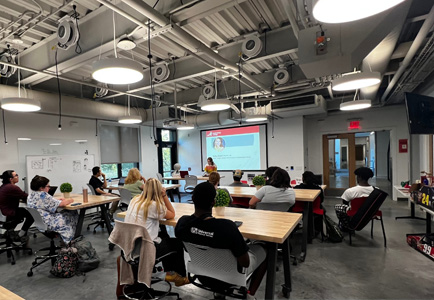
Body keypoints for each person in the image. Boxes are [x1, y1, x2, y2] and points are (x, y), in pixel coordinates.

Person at [175, 182, 267, 298]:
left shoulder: (182, 223)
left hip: (202, 275)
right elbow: (245, 262)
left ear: (192, 198)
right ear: (213, 202)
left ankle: (219, 294)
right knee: (266, 250)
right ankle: (250, 294)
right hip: (230, 277)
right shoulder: (227, 227)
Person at [124, 178, 189, 287]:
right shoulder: (154, 206)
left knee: (163, 234)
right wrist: (164, 195)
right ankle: (180, 277)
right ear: (158, 191)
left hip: (130, 246)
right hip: (145, 249)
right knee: (176, 243)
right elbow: (172, 214)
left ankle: (170, 272)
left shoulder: (135, 199)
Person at [27, 175, 78, 244]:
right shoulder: (43, 195)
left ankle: (65, 239)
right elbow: (62, 204)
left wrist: (56, 200)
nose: (49, 188)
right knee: (72, 212)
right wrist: (70, 200)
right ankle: (68, 241)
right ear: (42, 188)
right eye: (48, 186)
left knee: (66, 213)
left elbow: (45, 202)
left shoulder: (31, 195)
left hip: (41, 223)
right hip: (50, 223)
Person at [0, 170, 34, 242]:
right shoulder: (12, 187)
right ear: (11, 179)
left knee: (22, 212)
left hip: (3, 214)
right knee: (32, 215)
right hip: (8, 214)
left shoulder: (3, 187)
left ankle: (10, 232)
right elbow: (26, 197)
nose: (18, 176)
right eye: (16, 175)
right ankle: (20, 235)